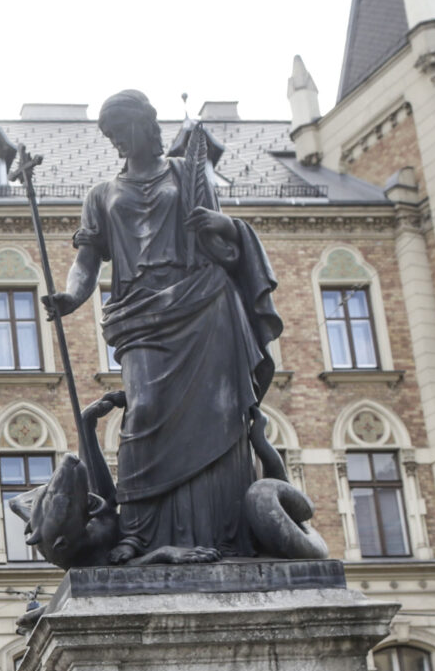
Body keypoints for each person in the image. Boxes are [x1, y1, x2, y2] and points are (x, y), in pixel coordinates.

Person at [46, 90, 286, 562]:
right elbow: (87, 260)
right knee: (144, 413)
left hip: (204, 302)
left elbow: (221, 237)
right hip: (141, 314)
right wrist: (71, 297)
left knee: (220, 418)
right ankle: (138, 531)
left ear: (144, 124)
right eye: (109, 136)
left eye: (120, 131)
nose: (116, 142)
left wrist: (222, 223)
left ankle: (225, 534)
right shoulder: (101, 195)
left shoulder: (186, 172)